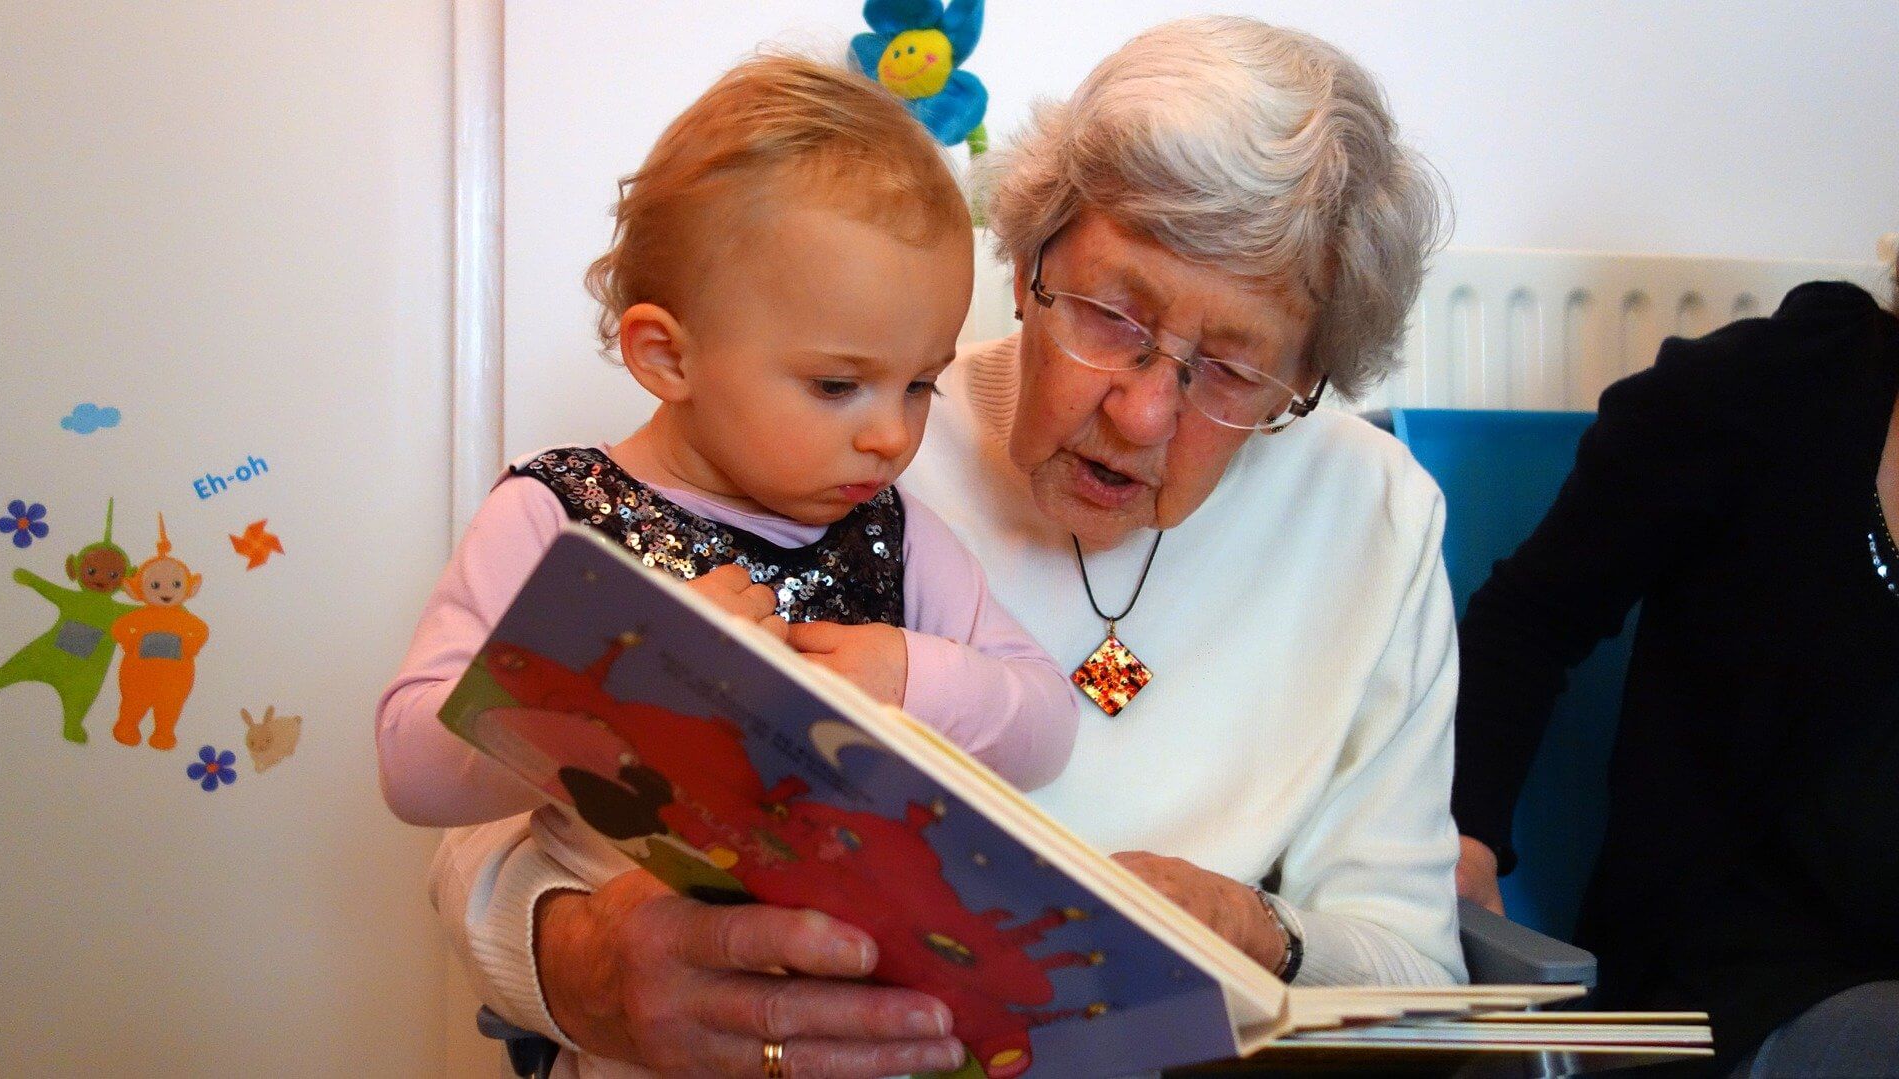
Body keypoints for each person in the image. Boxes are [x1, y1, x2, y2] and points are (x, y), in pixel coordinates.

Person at [433, 17, 1463, 1078]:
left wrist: (1256, 926)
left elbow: (1419, 973)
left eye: (1235, 370)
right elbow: (497, 808)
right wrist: (583, 968)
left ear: (1309, 376)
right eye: (1112, 315)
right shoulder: (846, 434)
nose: (1146, 411)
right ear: (1024, 266)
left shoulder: (1374, 513)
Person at [375, 55, 1082, 831]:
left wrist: (912, 679)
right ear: (669, 357)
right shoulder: (554, 513)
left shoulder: (895, 536)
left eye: (920, 385)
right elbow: (413, 768)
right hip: (635, 938)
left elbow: (1048, 728)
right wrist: (625, 672)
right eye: (836, 386)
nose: (890, 436)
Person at [1453, 269, 1899, 1076]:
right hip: (1730, 982)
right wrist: (1466, 835)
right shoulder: (1772, 391)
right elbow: (1529, 618)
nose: (1151, 407)